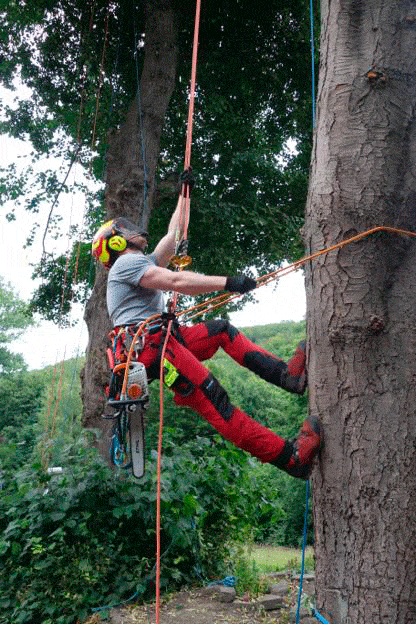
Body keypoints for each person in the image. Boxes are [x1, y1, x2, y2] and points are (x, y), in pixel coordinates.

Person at [92, 193, 322, 480]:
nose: (134, 231)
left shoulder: (140, 263)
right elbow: (176, 281)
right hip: (156, 350)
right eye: (125, 230)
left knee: (220, 332)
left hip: (165, 340)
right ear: (116, 242)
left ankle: (288, 377)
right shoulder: (126, 265)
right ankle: (292, 459)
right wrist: (228, 283)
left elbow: (173, 235)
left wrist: (183, 194)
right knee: (216, 402)